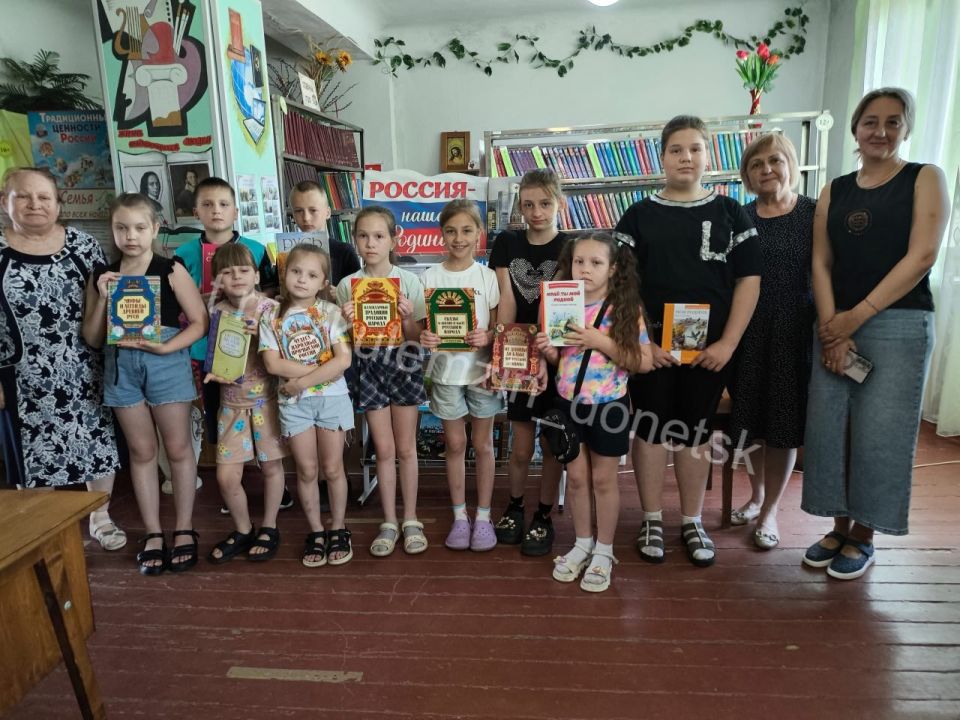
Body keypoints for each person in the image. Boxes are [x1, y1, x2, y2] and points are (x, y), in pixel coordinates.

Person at [802, 88, 948, 580]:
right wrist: (832, 328)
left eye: (892, 121)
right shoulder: (835, 190)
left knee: (880, 433)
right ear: (855, 128)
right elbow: (821, 261)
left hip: (896, 325)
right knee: (832, 430)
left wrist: (856, 317)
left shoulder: (924, 178)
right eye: (870, 121)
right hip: (834, 324)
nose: (880, 131)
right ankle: (837, 527)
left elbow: (922, 256)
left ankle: (864, 534)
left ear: (906, 128)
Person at [615, 115, 761, 568]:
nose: (686, 157)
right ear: (662, 157)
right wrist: (641, 342)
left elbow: (749, 280)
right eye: (676, 149)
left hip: (709, 349)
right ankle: (652, 518)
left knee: (695, 431)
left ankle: (692, 519)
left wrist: (728, 343)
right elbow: (623, 285)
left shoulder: (732, 212)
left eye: (695, 148)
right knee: (652, 428)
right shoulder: (638, 215)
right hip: (651, 348)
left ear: (708, 156)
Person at [84, 193, 208, 575]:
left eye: (140, 227)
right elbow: (92, 337)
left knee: (178, 448)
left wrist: (167, 347)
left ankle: (184, 528)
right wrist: (102, 297)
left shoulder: (170, 269)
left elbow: (200, 322)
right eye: (121, 228)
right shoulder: (102, 275)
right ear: (112, 230)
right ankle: (153, 532)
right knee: (141, 452)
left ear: (155, 228)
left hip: (165, 362)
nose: (131, 236)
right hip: (121, 366)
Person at [0, 167, 122, 550]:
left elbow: (103, 304)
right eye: (23, 196)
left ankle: (100, 517)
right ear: (5, 202)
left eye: (44, 197)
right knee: (32, 457)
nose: (34, 204)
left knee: (96, 445)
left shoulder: (84, 246)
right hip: (19, 378)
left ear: (58, 203)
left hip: (83, 369)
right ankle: (45, 530)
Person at [536, 233, 652, 592]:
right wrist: (547, 350)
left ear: (613, 269)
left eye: (596, 262)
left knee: (603, 480)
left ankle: (604, 550)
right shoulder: (562, 305)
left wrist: (599, 340)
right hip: (568, 404)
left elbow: (644, 362)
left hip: (608, 406)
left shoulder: (624, 309)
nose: (585, 269)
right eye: (579, 261)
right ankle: (582, 543)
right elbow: (561, 360)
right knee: (577, 479)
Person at [174, 177, 290, 510]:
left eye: (223, 204)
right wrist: (202, 301)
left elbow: (272, 288)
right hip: (208, 351)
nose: (216, 211)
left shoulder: (256, 249)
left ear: (236, 211)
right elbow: (177, 299)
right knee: (220, 420)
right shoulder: (183, 254)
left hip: (257, 354)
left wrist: (249, 304)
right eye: (207, 205)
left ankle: (275, 487)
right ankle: (233, 486)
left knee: (267, 427)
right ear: (196, 211)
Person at [728, 134, 816, 550]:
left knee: (782, 425)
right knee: (750, 424)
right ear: (747, 174)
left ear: (790, 164)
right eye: (756, 164)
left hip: (794, 333)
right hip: (748, 332)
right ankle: (755, 496)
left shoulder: (814, 213)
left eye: (775, 160)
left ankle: (771, 512)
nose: (766, 169)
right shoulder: (740, 218)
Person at [336, 206, 429, 557]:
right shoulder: (347, 286)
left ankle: (411, 518)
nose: (370, 243)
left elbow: (417, 337)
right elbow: (345, 342)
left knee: (406, 448)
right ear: (355, 240)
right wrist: (345, 323)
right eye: (363, 236)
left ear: (393, 239)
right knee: (384, 450)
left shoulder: (410, 283)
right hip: (369, 366)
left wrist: (407, 319)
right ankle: (389, 521)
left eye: (378, 236)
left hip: (404, 362)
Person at [488, 168, 570, 557]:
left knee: (551, 444)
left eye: (545, 204)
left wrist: (549, 353)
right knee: (520, 445)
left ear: (560, 204)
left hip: (556, 352)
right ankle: (516, 505)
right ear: (519, 207)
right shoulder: (507, 242)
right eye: (528, 205)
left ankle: (544, 514)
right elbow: (506, 298)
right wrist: (501, 350)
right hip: (518, 350)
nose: (536, 212)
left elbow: (562, 304)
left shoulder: (570, 246)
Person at [262, 244, 355, 567]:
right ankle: (316, 530)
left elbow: (343, 360)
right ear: (284, 273)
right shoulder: (272, 315)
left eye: (312, 275)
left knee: (333, 468)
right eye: (296, 271)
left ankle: (338, 527)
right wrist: (320, 369)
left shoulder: (330, 312)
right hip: (295, 406)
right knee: (306, 470)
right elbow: (273, 364)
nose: (302, 279)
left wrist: (301, 382)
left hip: (331, 400)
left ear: (323, 282)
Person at [419, 199, 502, 551]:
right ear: (441, 234)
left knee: (483, 444)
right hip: (445, 373)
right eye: (451, 231)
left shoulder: (487, 277)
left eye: (467, 230)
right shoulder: (429, 277)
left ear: (479, 233)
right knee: (454, 444)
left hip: (481, 372)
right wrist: (424, 337)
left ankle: (483, 516)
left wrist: (489, 336)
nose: (459, 238)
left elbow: (498, 326)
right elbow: (421, 327)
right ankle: (459, 516)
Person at [204, 244, 288, 564]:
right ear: (218, 280)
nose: (236, 276)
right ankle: (242, 529)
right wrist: (212, 371)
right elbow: (214, 354)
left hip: (267, 403)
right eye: (227, 272)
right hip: (230, 405)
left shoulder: (270, 309)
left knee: (271, 467)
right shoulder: (217, 311)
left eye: (243, 270)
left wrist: (263, 334)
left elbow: (287, 352)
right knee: (226, 477)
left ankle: (270, 526)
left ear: (256, 275)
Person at [289, 180, 361, 285]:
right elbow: (277, 287)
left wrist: (340, 292)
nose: (306, 218)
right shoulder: (287, 252)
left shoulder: (344, 252)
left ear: (327, 213)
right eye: (299, 211)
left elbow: (357, 291)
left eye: (313, 210)